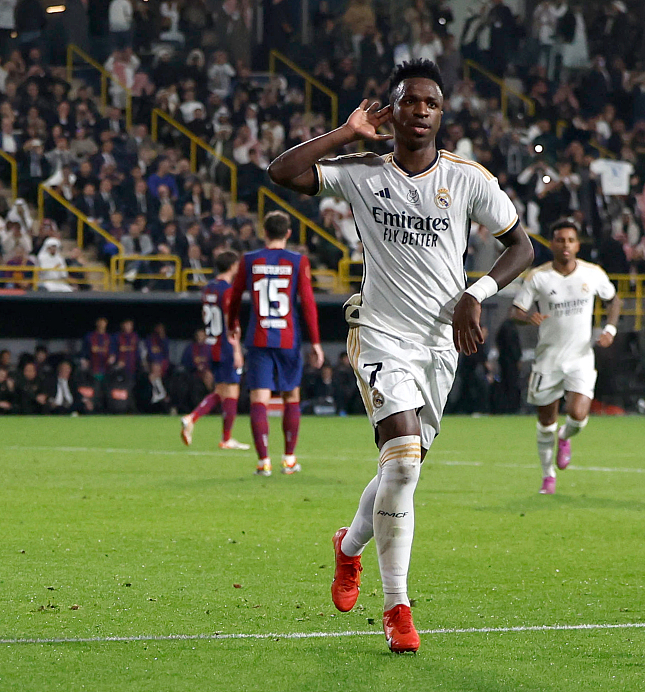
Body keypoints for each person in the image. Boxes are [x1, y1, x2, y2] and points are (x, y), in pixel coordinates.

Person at [266, 58, 533, 653]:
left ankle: (348, 547)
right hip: (381, 334)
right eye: (409, 101)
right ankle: (398, 610)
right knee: (405, 466)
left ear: (441, 115)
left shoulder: (469, 179)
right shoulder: (363, 172)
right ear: (392, 110)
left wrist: (477, 292)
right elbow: (281, 171)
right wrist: (344, 134)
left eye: (430, 103)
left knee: (398, 474)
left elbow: (521, 246)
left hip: (441, 344)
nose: (419, 111)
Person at [509, 219, 621, 494]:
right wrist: (528, 317)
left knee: (578, 414)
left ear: (578, 244)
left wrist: (610, 329)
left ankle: (566, 436)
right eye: (560, 240)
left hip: (581, 357)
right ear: (552, 243)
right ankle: (548, 476)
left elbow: (614, 300)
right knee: (546, 421)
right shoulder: (539, 276)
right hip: (548, 359)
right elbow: (515, 312)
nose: (566, 245)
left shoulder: (592, 273)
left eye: (571, 240)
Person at [224, 211, 323, 475]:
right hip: (288, 337)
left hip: (259, 336)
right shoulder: (297, 261)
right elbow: (308, 303)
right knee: (292, 394)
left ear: (264, 233)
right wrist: (315, 341)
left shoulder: (249, 260)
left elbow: (234, 297)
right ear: (288, 233)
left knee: (259, 397)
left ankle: (263, 462)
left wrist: (232, 323)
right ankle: (289, 459)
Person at [180, 250, 251, 451]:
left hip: (211, 345)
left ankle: (194, 420)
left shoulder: (208, 289)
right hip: (226, 346)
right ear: (231, 267)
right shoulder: (228, 290)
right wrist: (237, 350)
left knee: (221, 391)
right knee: (231, 392)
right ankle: (223, 437)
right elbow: (231, 320)